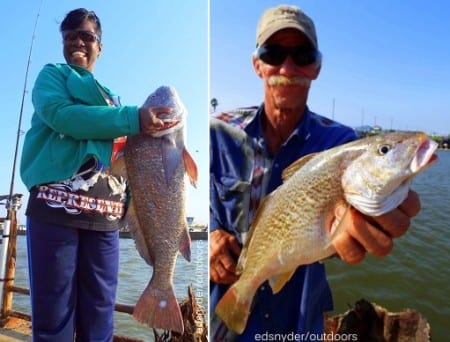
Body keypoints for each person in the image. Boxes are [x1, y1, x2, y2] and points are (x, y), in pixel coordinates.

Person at [209, 4, 421, 340]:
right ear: (257, 64)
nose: (288, 66)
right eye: (274, 52)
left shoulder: (341, 142)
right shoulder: (216, 133)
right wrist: (210, 237)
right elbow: (188, 200)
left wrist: (370, 221)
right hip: (221, 321)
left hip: (299, 323)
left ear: (317, 67)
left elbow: (340, 235)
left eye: (303, 55)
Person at [20, 8, 167, 341]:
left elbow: (126, 158)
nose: (77, 43)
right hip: (55, 211)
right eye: (70, 36)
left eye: (86, 36)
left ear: (100, 45)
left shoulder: (113, 99)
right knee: (54, 319)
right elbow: (63, 117)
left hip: (107, 219)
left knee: (100, 317)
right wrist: (134, 118)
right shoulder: (52, 76)